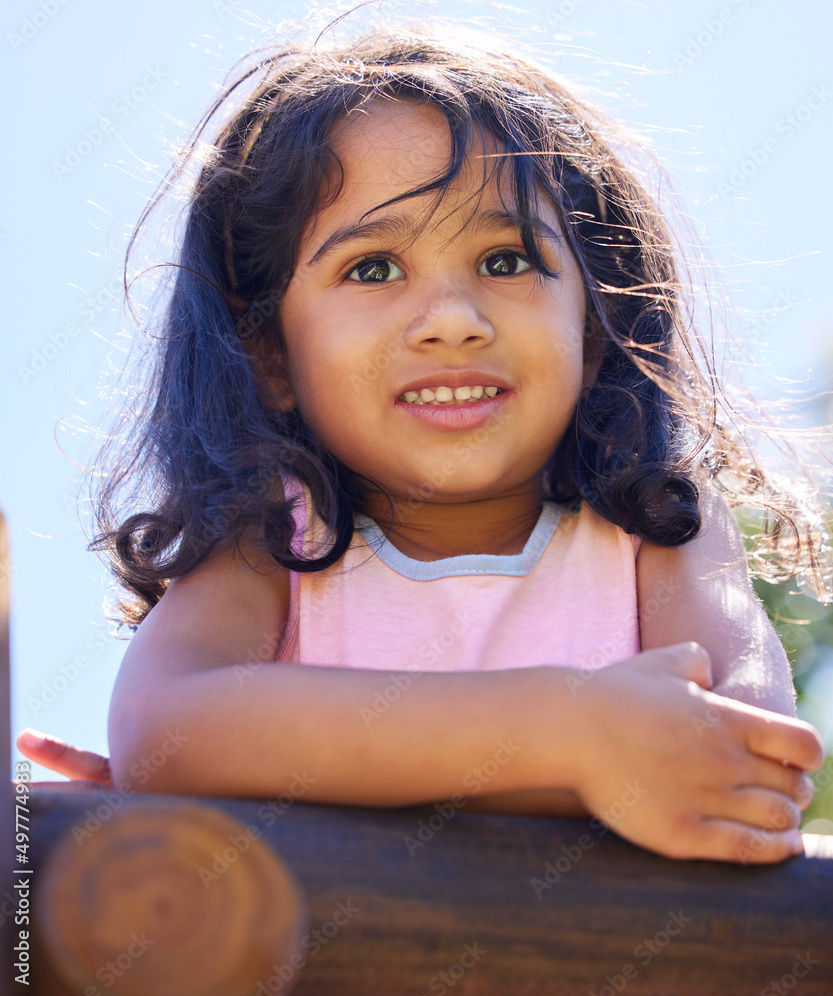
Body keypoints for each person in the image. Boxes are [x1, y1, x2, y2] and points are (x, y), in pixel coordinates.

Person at [17, 14, 828, 865]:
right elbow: (167, 733)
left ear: (592, 332)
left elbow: (746, 759)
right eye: (371, 269)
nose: (451, 320)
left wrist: (273, 776)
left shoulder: (656, 530)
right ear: (270, 356)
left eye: (507, 260)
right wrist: (570, 736)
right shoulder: (274, 540)